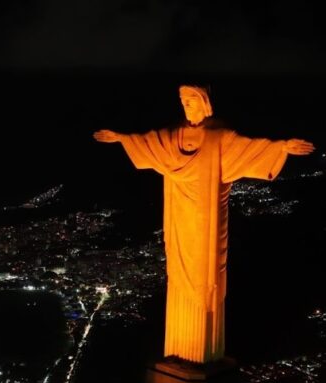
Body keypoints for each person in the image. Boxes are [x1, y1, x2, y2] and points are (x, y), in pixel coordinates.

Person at [94, 85, 313, 364]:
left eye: (192, 101)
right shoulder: (173, 135)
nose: (187, 106)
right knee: (178, 269)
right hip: (179, 215)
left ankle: (203, 355)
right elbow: (148, 141)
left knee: (205, 274)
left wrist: (281, 146)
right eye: (183, 102)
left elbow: (251, 147)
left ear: (205, 103)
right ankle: (180, 356)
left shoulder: (219, 135)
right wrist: (122, 138)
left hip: (207, 219)